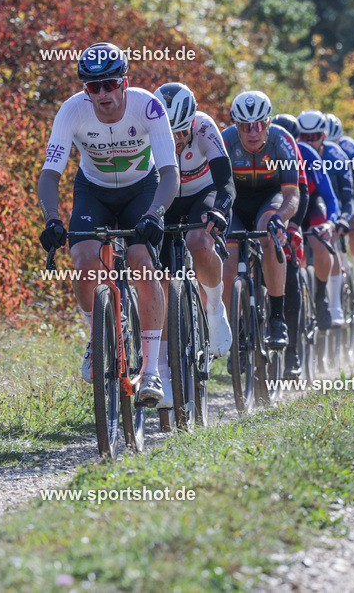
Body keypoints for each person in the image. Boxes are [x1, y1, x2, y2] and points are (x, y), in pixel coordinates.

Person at [37, 42, 180, 405]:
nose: (102, 93)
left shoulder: (148, 106)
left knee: (142, 264)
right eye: (92, 86)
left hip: (142, 190)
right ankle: (96, 339)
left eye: (110, 84)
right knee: (83, 260)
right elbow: (50, 175)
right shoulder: (72, 111)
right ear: (85, 90)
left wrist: (155, 215)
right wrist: (52, 219)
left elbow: (169, 173)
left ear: (124, 82)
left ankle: (150, 371)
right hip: (93, 191)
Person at [153, 82, 235, 407]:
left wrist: (221, 210)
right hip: (167, 198)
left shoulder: (205, 127)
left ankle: (214, 308)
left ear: (191, 122)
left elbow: (226, 180)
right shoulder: (149, 132)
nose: (176, 139)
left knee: (200, 241)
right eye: (168, 133)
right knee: (158, 277)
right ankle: (161, 369)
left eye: (181, 131)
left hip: (204, 194)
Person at [221, 91, 298, 350]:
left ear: (269, 123)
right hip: (237, 204)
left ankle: (277, 318)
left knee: (269, 235)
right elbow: (217, 189)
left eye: (259, 125)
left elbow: (292, 193)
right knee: (229, 266)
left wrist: (282, 218)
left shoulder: (282, 141)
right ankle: (235, 330)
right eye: (245, 126)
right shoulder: (225, 141)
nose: (253, 132)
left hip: (270, 200)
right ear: (235, 125)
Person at [270, 114, 339, 378]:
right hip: (278, 206)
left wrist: (330, 223)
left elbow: (328, 195)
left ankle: (320, 295)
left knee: (312, 249)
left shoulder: (308, 154)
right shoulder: (263, 154)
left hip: (308, 205)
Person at [295, 110, 353, 328]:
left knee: (323, 243)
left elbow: (333, 197)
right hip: (291, 204)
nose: (310, 141)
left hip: (313, 203)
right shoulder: (283, 152)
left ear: (323, 135)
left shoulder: (332, 156)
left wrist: (334, 221)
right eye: (304, 137)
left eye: (315, 136)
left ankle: (323, 298)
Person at [325, 113, 354, 310]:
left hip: (347, 196)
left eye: (334, 142)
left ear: (340, 139)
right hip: (325, 198)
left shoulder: (350, 149)